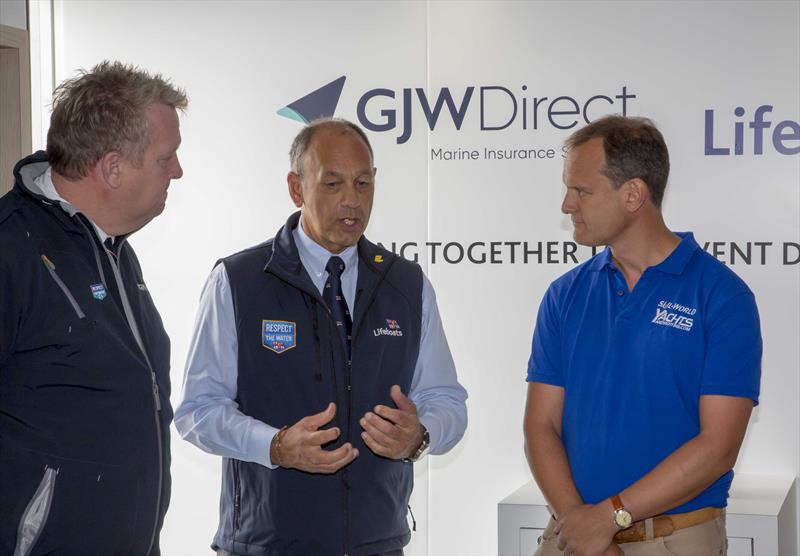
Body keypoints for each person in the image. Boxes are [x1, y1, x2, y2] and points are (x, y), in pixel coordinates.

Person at [175, 118, 468, 556]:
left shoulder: (407, 285)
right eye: (332, 184)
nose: (352, 200)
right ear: (296, 188)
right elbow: (197, 412)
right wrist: (273, 447)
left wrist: (420, 436)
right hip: (265, 545)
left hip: (377, 544)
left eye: (363, 183)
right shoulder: (238, 281)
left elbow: (446, 399)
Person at [523, 115, 761, 556]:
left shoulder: (722, 296)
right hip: (571, 537)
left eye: (581, 190)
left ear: (633, 194)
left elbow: (717, 447)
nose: (566, 205)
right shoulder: (564, 295)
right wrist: (582, 525)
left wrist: (610, 517)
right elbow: (540, 425)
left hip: (675, 539)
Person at [0, 61, 187, 555]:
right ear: (112, 168)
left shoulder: (113, 251)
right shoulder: (10, 251)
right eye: (166, 157)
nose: (177, 171)